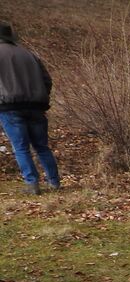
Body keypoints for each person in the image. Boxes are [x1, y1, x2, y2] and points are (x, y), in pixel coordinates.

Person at [0, 22, 60, 195]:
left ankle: (32, 184)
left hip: (9, 107)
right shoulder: (29, 54)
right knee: (42, 147)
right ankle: (54, 182)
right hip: (36, 106)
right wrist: (40, 97)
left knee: (21, 148)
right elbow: (47, 80)